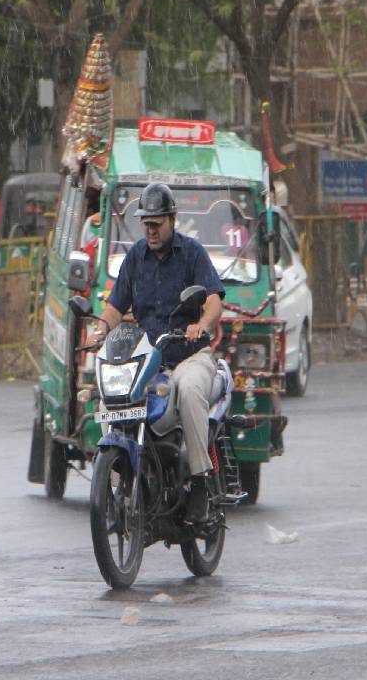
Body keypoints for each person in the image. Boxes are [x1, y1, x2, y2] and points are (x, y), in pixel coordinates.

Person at [91, 182, 225, 523]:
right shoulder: (136, 257)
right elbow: (115, 306)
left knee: (191, 389)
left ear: (172, 219)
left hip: (189, 355)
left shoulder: (193, 253)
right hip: (149, 361)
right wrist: (101, 329)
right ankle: (119, 481)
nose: (150, 230)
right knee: (112, 398)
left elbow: (213, 301)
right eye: (146, 224)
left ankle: (199, 480)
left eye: (157, 224)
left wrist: (202, 326)